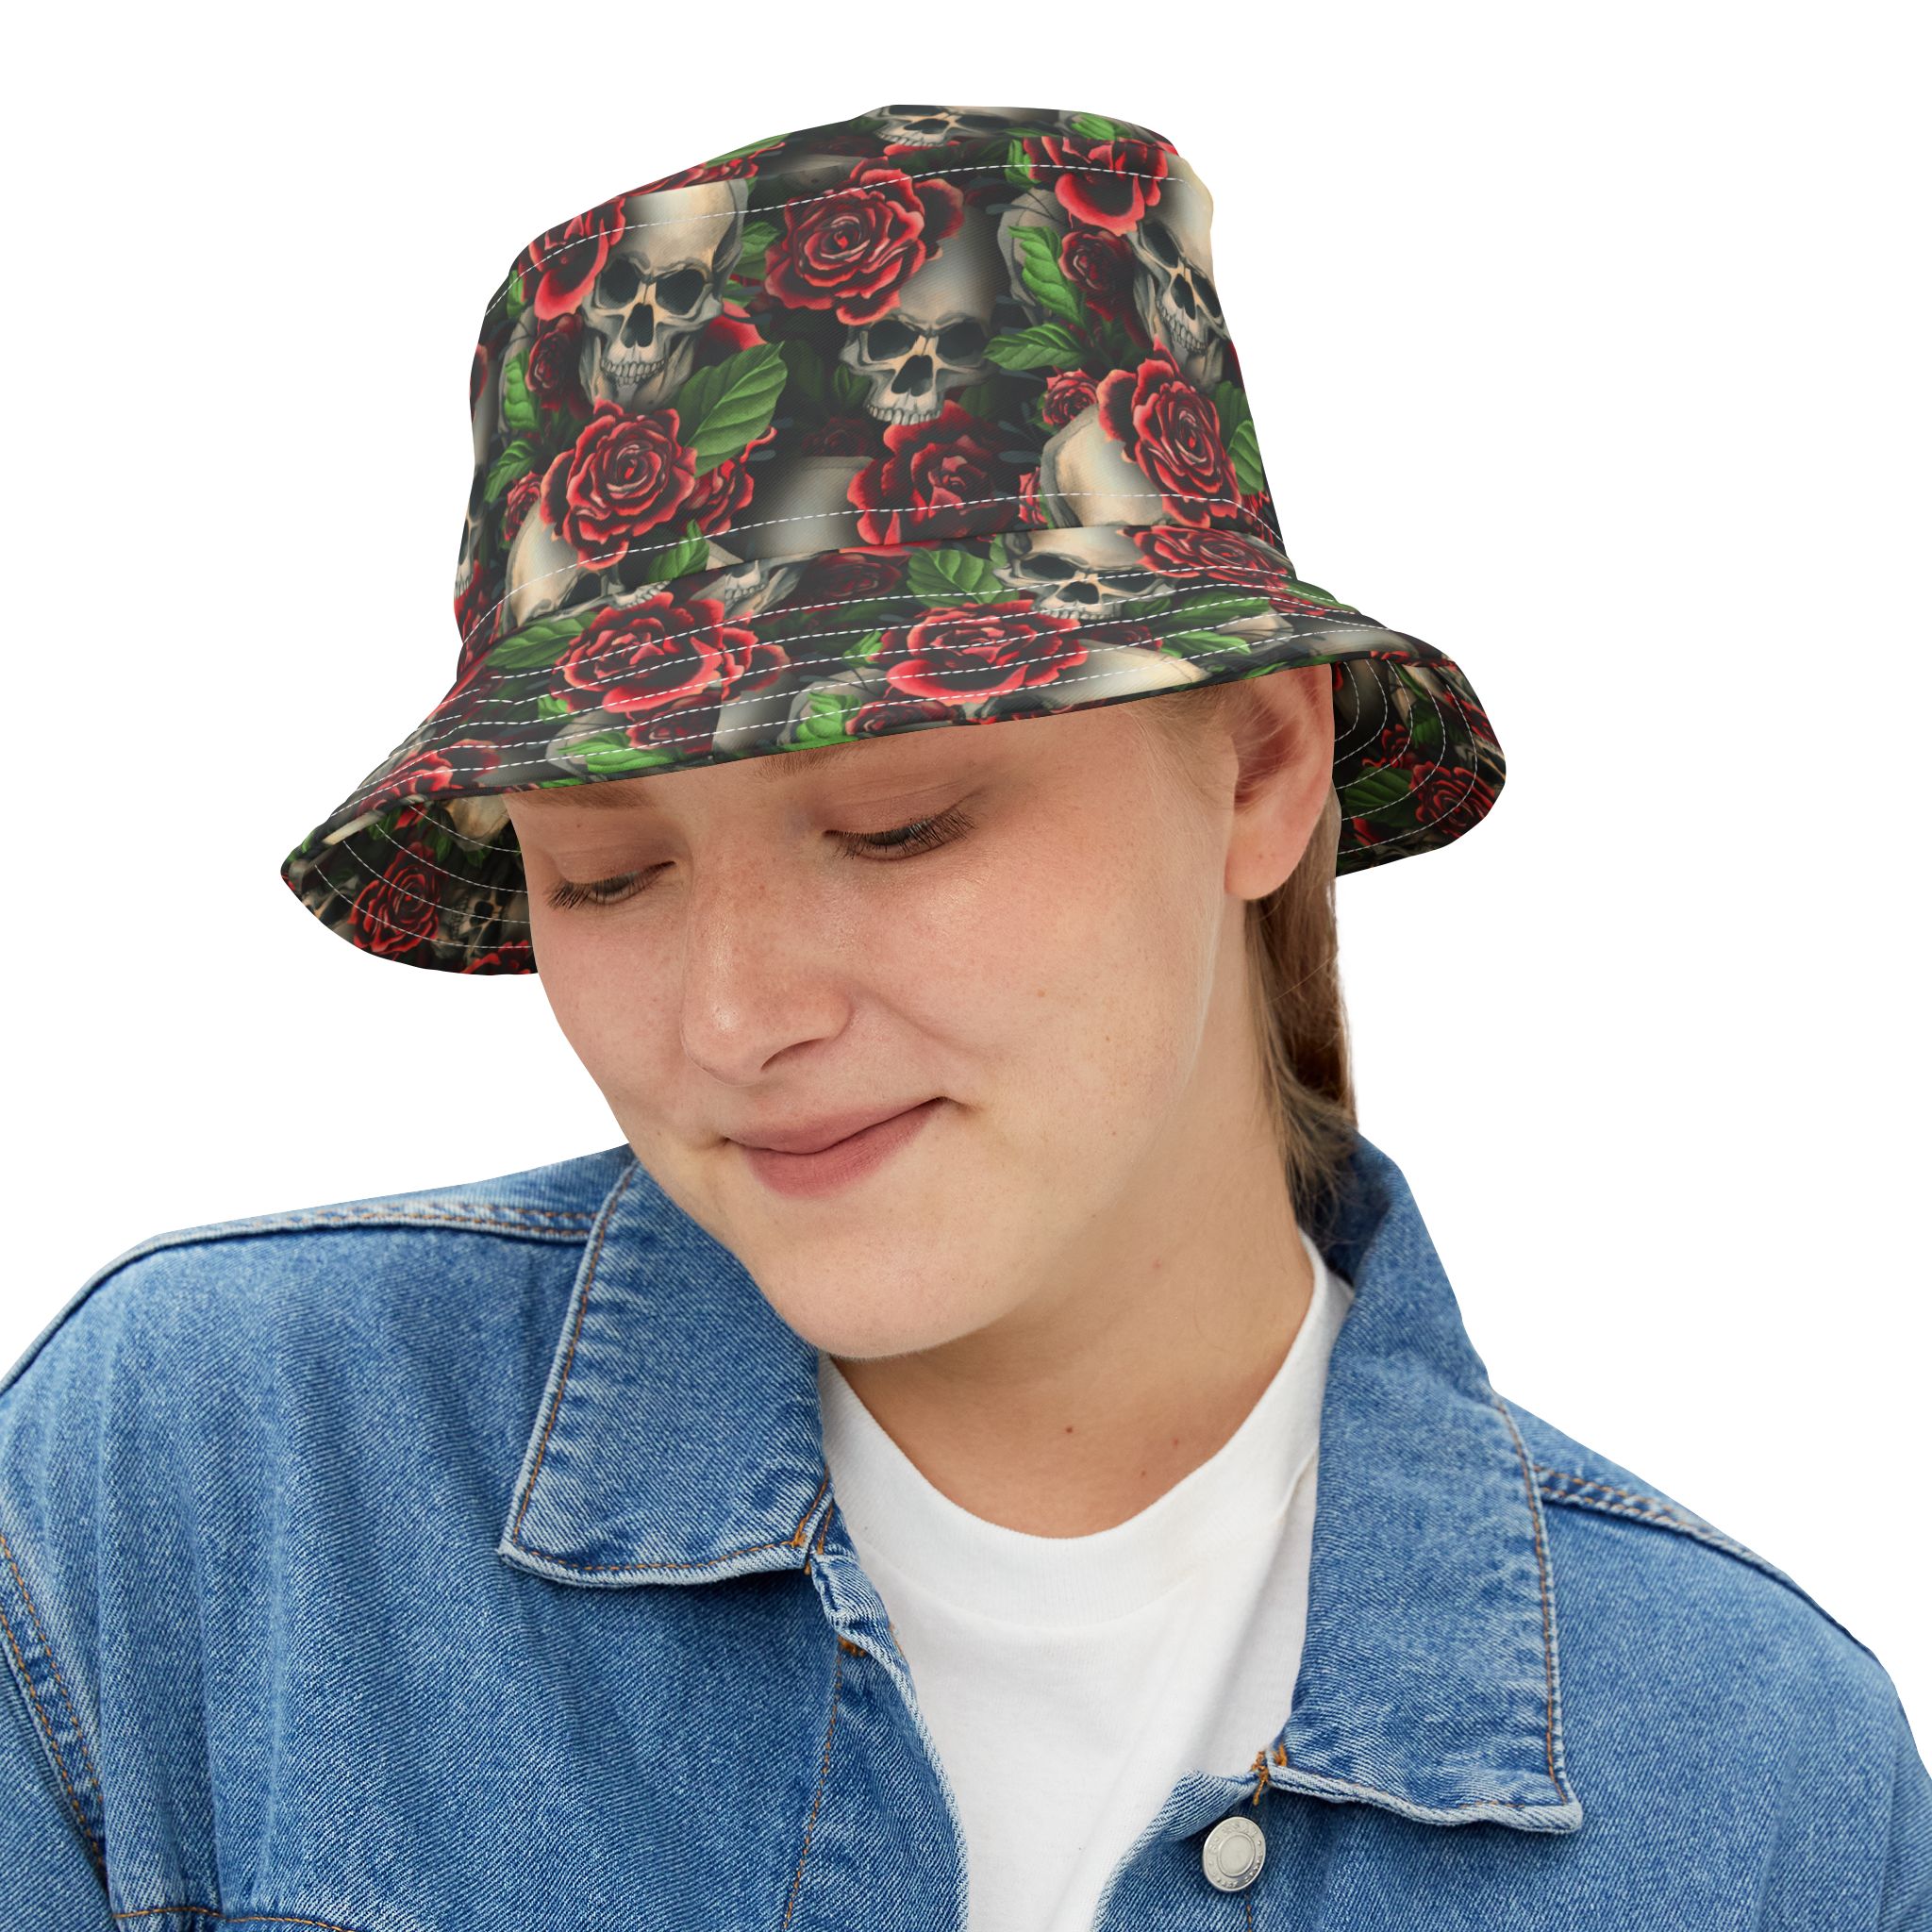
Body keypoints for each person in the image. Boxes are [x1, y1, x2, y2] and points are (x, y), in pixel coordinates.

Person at [3, 103, 1924, 1932]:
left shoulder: (1751, 1783)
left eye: (897, 826)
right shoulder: (205, 1490)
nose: (737, 1018)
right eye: (607, 875)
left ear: (1261, 767)